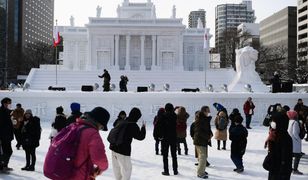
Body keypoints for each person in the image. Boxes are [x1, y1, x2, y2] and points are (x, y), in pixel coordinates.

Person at [72, 106, 110, 179]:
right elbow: (100, 160)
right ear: (98, 123)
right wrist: (101, 168)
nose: (100, 129)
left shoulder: (73, 126)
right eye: (102, 127)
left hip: (63, 171)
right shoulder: (92, 134)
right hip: (78, 175)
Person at [109, 107, 146, 180]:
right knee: (127, 170)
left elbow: (115, 126)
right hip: (123, 151)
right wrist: (143, 128)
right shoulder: (133, 125)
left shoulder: (123, 120)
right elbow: (140, 137)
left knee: (117, 168)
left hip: (113, 148)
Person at [265, 112, 292, 180]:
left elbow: (285, 158)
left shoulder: (285, 138)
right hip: (274, 169)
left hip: (280, 172)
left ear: (280, 123)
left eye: (274, 121)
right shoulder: (274, 134)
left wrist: (283, 172)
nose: (272, 123)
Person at [159, 103, 178, 176]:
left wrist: (159, 136)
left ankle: (166, 171)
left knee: (165, 156)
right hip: (173, 137)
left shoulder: (163, 116)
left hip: (165, 138)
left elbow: (160, 127)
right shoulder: (175, 116)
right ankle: (175, 170)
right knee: (174, 155)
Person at [194, 109, 212, 179]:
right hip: (200, 141)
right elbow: (199, 132)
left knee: (203, 157)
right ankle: (200, 173)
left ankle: (202, 171)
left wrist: (210, 134)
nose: (209, 112)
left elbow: (207, 129)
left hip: (203, 141)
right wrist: (207, 137)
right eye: (207, 111)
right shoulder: (199, 121)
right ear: (204, 112)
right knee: (203, 157)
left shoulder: (205, 120)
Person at [287, 110, 303, 175]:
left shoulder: (289, 121)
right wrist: (298, 139)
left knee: (291, 156)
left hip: (290, 140)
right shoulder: (295, 122)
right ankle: (295, 170)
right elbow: (295, 133)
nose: (297, 115)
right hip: (295, 141)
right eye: (296, 114)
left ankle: (290, 169)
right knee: (297, 156)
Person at [0, 97, 14, 172]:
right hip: (3, 136)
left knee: (8, 151)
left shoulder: (8, 111)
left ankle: (4, 165)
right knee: (5, 152)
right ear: (4, 103)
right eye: (9, 103)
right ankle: (2, 167)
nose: (10, 105)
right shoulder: (1, 111)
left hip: (7, 136)